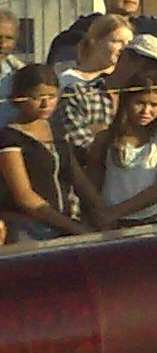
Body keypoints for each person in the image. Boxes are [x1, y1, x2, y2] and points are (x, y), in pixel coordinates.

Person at [0, 64, 102, 242]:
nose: (45, 104)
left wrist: (100, 211)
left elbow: (76, 176)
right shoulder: (9, 138)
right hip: (28, 229)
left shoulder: (57, 130)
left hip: (63, 225)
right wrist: (73, 228)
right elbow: (25, 196)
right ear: (18, 97)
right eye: (37, 97)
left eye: (52, 96)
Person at [90, 64, 157, 226]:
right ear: (127, 101)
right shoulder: (106, 138)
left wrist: (117, 211)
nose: (146, 111)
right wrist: (99, 213)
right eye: (140, 103)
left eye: (154, 105)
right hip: (116, 224)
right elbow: (93, 182)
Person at [54, 13, 136, 165]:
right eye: (117, 41)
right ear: (95, 41)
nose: (123, 49)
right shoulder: (68, 79)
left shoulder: (127, 82)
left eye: (129, 43)